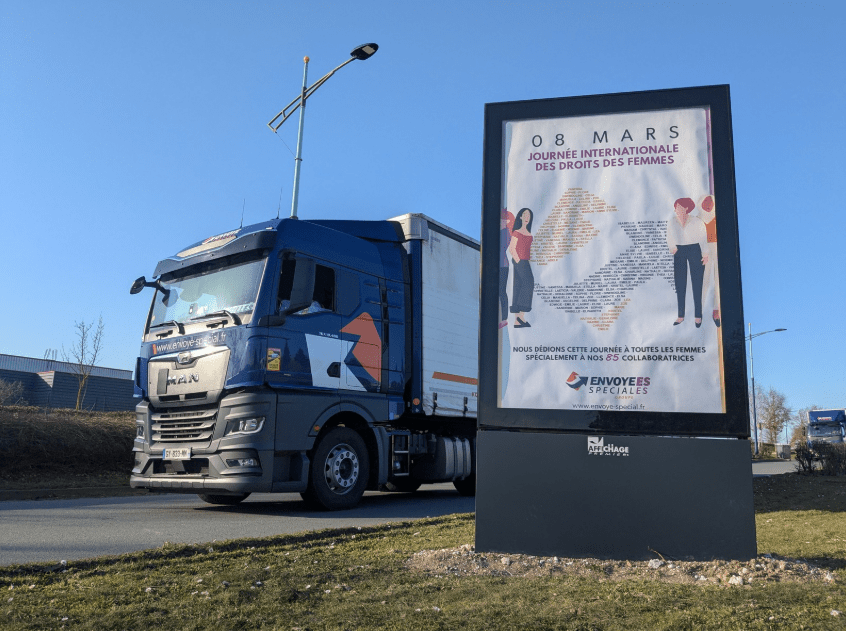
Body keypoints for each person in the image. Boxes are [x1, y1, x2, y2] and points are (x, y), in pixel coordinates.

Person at [665, 197, 708, 327]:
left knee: (697, 283)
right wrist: (672, 248)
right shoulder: (672, 221)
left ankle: (698, 316)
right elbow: (669, 236)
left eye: (678, 207)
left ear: (686, 208)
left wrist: (705, 254)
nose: (676, 210)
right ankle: (680, 316)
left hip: (695, 250)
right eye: (675, 207)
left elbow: (703, 238)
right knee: (680, 283)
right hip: (679, 251)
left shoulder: (697, 221)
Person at [508, 207, 534, 328]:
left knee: (518, 285)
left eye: (529, 215)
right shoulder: (517, 232)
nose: (527, 217)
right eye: (525, 215)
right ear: (520, 216)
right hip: (519, 260)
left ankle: (517, 321)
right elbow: (512, 248)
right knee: (529, 282)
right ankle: (521, 316)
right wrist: (518, 260)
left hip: (525, 261)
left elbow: (528, 249)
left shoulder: (529, 234)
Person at [699, 195, 720, 327]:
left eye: (710, 202)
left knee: (718, 280)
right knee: (704, 281)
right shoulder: (698, 219)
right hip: (704, 250)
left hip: (717, 248)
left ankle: (716, 310)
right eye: (705, 202)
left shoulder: (718, 217)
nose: (708, 205)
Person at [499, 209, 515, 329]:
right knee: (500, 291)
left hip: (503, 265)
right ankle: (503, 317)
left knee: (502, 291)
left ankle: (504, 318)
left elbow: (503, 248)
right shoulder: (503, 233)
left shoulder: (506, 233)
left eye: (503, 220)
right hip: (501, 264)